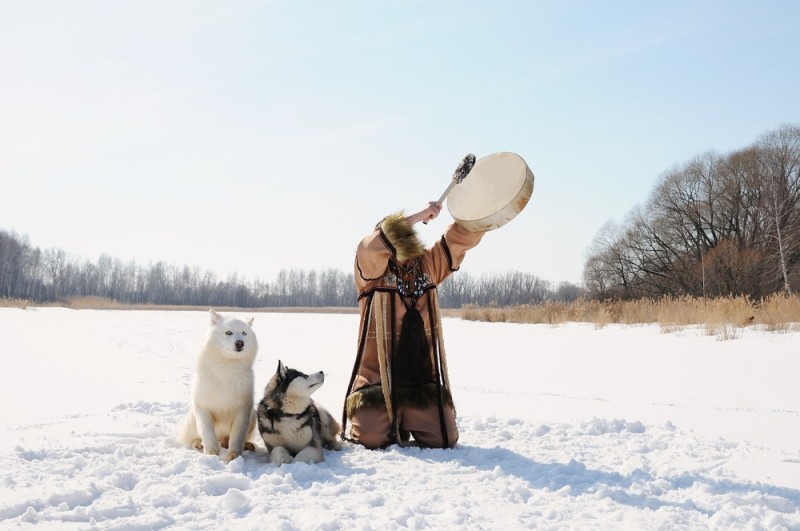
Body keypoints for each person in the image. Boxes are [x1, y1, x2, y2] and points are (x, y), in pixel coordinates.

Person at [341, 193, 484, 449]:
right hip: (376, 382)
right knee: (372, 438)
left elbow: (458, 240)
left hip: (419, 382)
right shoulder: (371, 271)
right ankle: (387, 421)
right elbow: (371, 244)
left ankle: (404, 420)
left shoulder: (427, 265)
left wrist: (482, 209)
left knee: (445, 438)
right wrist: (419, 215)